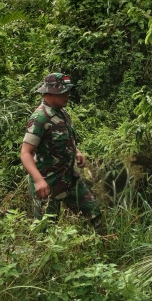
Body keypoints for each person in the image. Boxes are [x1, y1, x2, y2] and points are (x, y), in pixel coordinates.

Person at [20, 73, 102, 229]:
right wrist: (38, 180)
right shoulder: (39, 118)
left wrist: (77, 152)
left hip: (68, 178)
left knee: (93, 214)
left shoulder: (63, 113)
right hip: (47, 183)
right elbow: (25, 153)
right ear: (49, 93)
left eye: (68, 91)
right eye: (62, 92)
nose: (67, 95)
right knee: (45, 229)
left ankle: (102, 247)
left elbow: (65, 139)